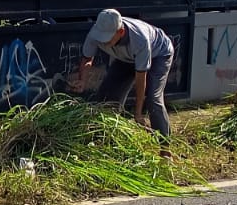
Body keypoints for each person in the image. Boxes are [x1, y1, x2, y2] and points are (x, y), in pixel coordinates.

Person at [72, 9, 175, 138]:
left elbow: (140, 78)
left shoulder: (139, 40)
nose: (103, 42)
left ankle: (165, 148)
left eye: (107, 39)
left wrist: (137, 114)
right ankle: (108, 137)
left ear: (121, 32)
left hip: (158, 54)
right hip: (126, 57)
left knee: (152, 99)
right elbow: (87, 59)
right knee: (106, 97)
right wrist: (82, 80)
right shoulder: (95, 33)